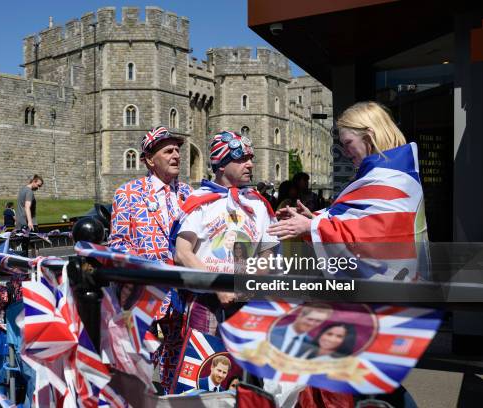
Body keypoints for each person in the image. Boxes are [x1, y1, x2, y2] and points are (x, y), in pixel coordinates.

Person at [268, 101, 428, 281]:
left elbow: (372, 238)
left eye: (348, 143)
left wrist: (310, 226)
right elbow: (360, 223)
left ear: (369, 137)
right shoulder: (388, 174)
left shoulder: (389, 179)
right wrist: (314, 218)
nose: (345, 151)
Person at [108, 126, 193, 394]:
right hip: (145, 298)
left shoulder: (191, 196)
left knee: (178, 370)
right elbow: (118, 244)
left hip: (183, 298)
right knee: (138, 373)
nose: (176, 155)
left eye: (178, 150)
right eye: (168, 151)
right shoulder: (128, 193)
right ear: (149, 159)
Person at [174, 130, 278, 335]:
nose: (250, 164)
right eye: (241, 159)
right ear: (221, 164)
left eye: (250, 158)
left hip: (248, 301)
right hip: (206, 301)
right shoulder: (199, 201)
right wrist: (218, 287)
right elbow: (183, 253)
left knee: (243, 366)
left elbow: (268, 253)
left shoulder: (258, 203)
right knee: (204, 365)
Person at [269, 304, 333, 357]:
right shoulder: (271, 332)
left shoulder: (311, 345)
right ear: (299, 316)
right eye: (310, 319)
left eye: (318, 321)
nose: (311, 324)